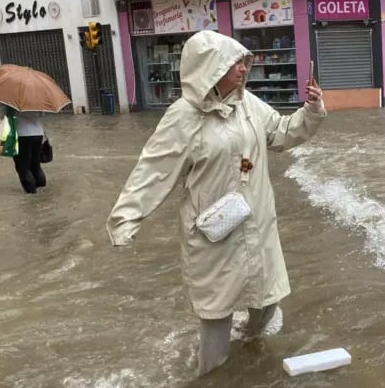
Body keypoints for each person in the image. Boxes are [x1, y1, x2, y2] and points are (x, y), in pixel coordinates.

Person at [106, 30, 326, 377]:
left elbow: (281, 132)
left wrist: (311, 111)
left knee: (266, 298)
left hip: (257, 221)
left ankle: (250, 351)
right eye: (235, 62)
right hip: (214, 233)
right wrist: (126, 218)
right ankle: (212, 376)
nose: (243, 68)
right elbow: (153, 170)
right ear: (211, 68)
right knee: (216, 312)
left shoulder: (248, 105)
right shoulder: (183, 117)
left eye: (243, 62)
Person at [0, 101, 46, 194]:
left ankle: (32, 195)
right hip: (38, 133)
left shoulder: (8, 97)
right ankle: (42, 193)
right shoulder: (36, 96)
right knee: (36, 166)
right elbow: (42, 114)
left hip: (21, 134)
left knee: (23, 168)